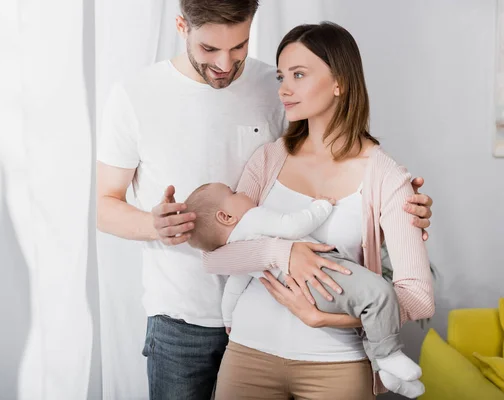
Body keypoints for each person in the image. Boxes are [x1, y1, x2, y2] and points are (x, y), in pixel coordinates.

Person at [96, 1, 434, 398]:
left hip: (313, 349)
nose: (225, 63)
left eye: (238, 47)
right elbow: (109, 206)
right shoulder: (138, 95)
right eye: (209, 50)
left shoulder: (273, 92)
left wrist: (396, 217)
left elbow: (413, 290)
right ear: (181, 27)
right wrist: (280, 252)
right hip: (188, 319)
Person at [203, 22, 435, 400]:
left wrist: (326, 318)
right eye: (281, 76)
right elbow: (216, 257)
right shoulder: (268, 159)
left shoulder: (386, 176)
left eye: (299, 74)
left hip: (337, 367)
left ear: (340, 81)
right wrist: (283, 252)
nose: (284, 88)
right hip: (248, 357)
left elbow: (417, 296)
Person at [184, 182, 425, 398]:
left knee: (369, 307)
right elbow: (292, 226)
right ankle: (388, 356)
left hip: (308, 292)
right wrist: (322, 206)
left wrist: (228, 318)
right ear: (226, 216)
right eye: (234, 192)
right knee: (379, 296)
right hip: (322, 276)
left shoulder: (240, 249)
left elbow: (233, 288)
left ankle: (386, 371)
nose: (243, 191)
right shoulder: (252, 218)